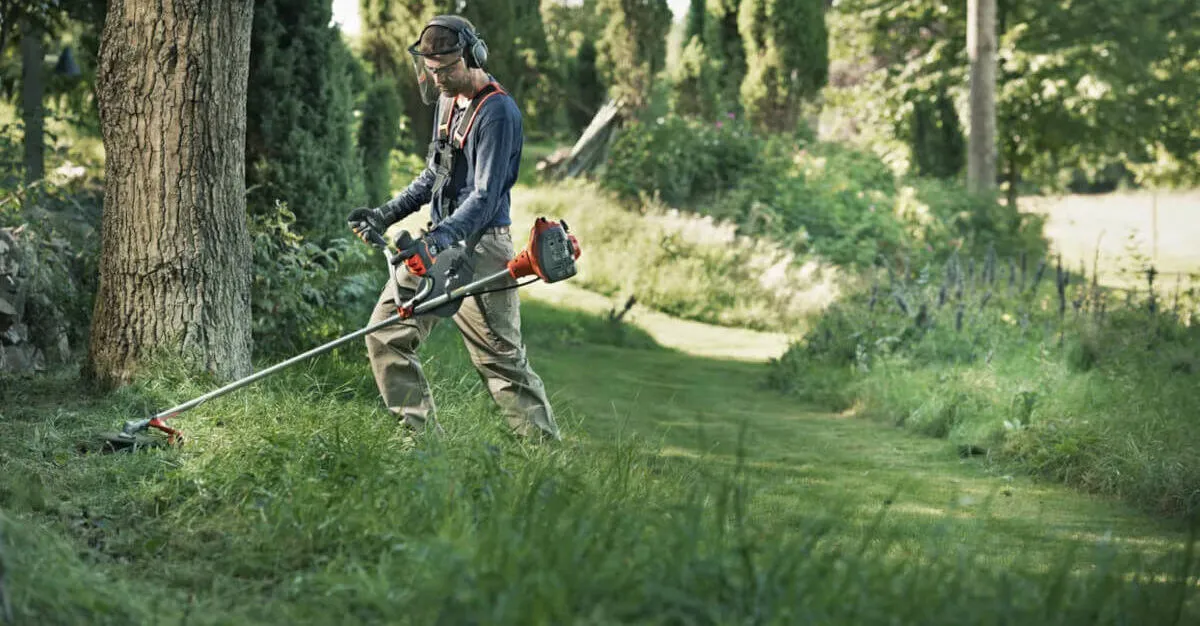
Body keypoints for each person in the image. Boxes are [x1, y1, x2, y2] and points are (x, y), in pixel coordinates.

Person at [346, 15, 560, 443]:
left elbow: (484, 198)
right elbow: (432, 176)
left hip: (481, 248)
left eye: (445, 68)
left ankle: (548, 463)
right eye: (430, 68)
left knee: (501, 363)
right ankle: (421, 444)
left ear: (472, 56)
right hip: (440, 241)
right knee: (385, 333)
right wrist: (384, 214)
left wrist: (436, 240)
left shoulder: (498, 113)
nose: (437, 77)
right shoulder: (448, 103)